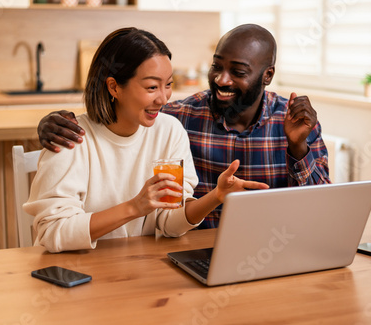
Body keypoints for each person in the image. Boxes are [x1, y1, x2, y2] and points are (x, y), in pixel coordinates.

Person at [37, 24, 331, 230]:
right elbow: (128, 117)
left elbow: (321, 210)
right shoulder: (177, 118)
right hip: (193, 251)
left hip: (273, 248)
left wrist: (297, 148)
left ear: (267, 75)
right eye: (217, 66)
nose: (221, 79)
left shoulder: (295, 123)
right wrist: (49, 124)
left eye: (237, 72)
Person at [24, 27, 268, 253]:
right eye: (152, 87)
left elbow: (169, 222)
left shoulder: (169, 131)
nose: (163, 99)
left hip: (138, 269)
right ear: (114, 87)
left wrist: (215, 196)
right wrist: (134, 208)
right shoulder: (70, 136)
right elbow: (52, 232)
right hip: (74, 273)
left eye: (169, 85)